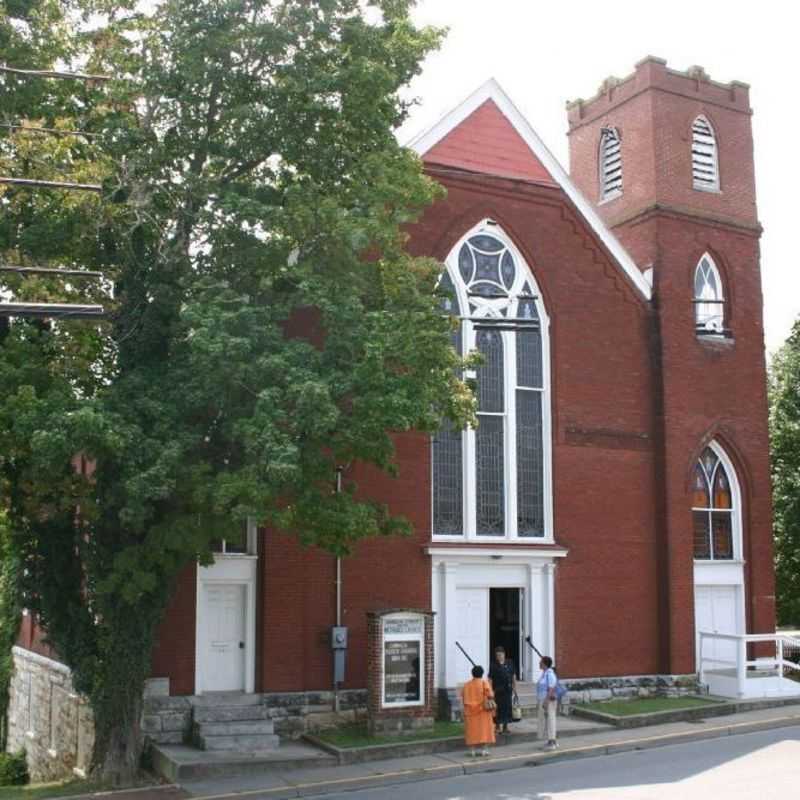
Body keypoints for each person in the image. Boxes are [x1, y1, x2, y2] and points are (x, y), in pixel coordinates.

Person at [461, 665, 496, 757]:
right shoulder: (484, 683)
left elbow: (463, 696)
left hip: (470, 711)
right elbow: (491, 695)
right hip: (483, 711)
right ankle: (484, 750)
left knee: (472, 731)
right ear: (482, 674)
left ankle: (472, 750)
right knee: (484, 730)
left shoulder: (466, 685)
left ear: (472, 674)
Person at [488, 645, 517, 734]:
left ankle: (505, 726)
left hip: (508, 689)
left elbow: (513, 675)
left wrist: (514, 687)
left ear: (504, 654)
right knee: (498, 708)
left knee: (507, 708)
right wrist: (490, 690)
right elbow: (490, 679)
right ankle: (497, 727)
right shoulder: (493, 665)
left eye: (500, 654)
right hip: (498, 690)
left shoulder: (509, 662)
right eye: (497, 655)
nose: (499, 656)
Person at [537, 655, 558, 751]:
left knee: (550, 719)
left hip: (548, 700)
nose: (539, 663)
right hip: (543, 699)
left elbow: (551, 688)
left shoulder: (550, 674)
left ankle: (552, 742)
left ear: (545, 664)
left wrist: (545, 701)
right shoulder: (545, 673)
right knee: (547, 720)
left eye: (541, 662)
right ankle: (551, 740)